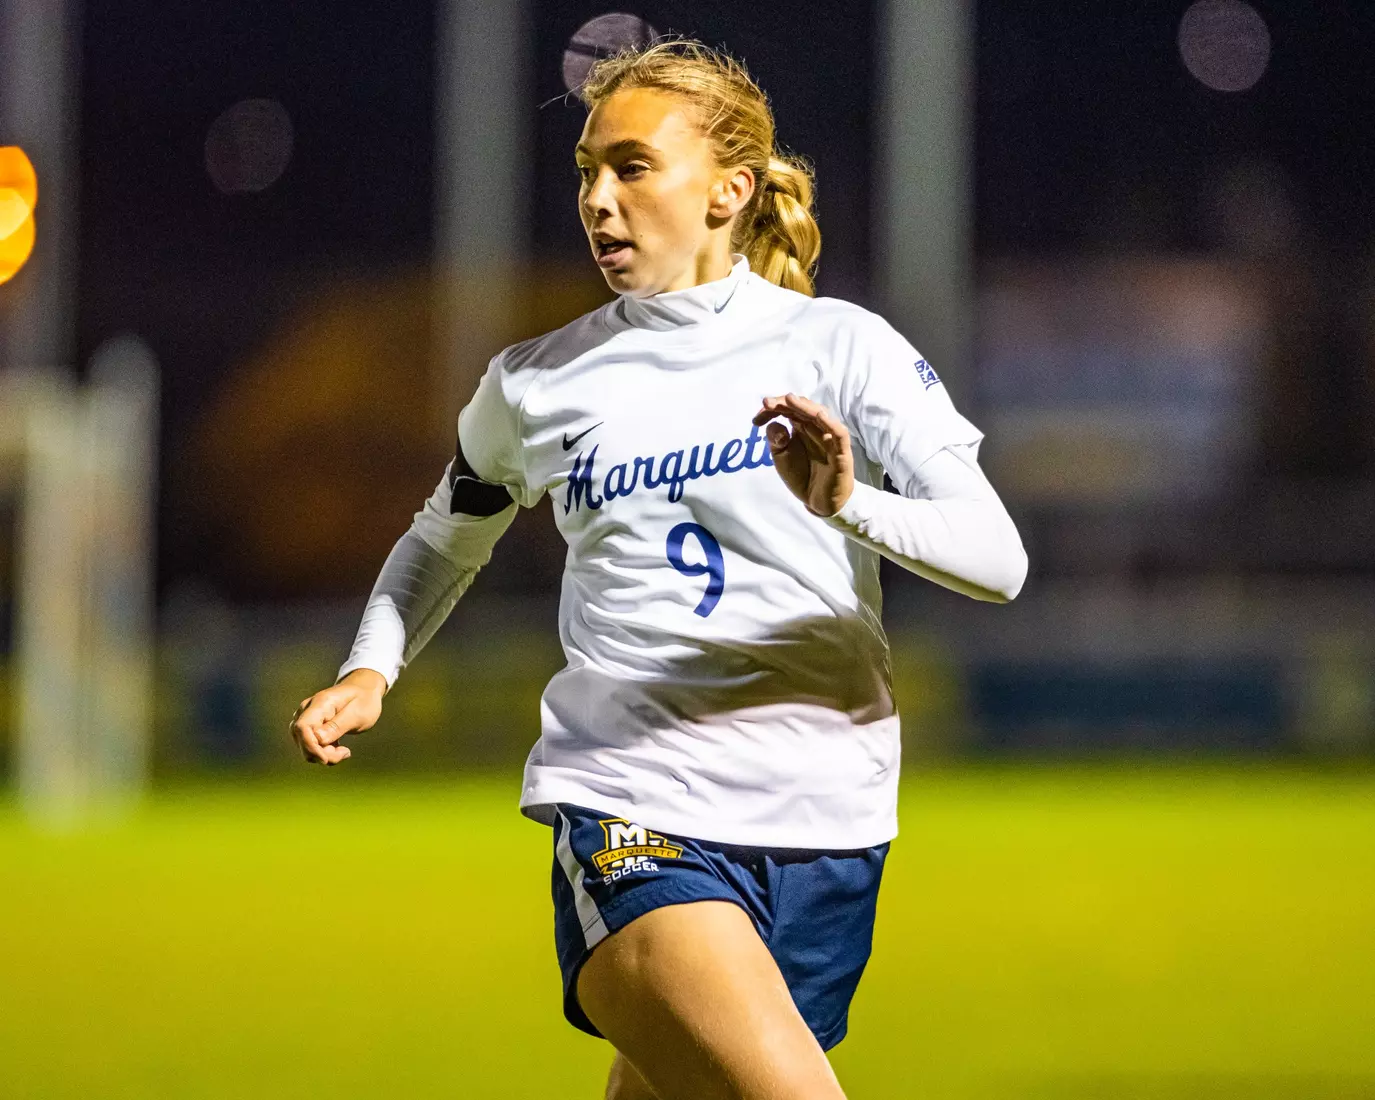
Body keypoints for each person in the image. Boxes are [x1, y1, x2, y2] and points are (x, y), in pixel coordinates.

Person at [289, 38, 1026, 1100]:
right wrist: (371, 667)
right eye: (586, 170)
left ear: (729, 188)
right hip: (633, 807)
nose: (596, 198)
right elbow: (444, 536)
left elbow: (996, 559)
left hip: (828, 822)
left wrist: (846, 505)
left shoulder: (841, 347)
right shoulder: (536, 381)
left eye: (631, 167)